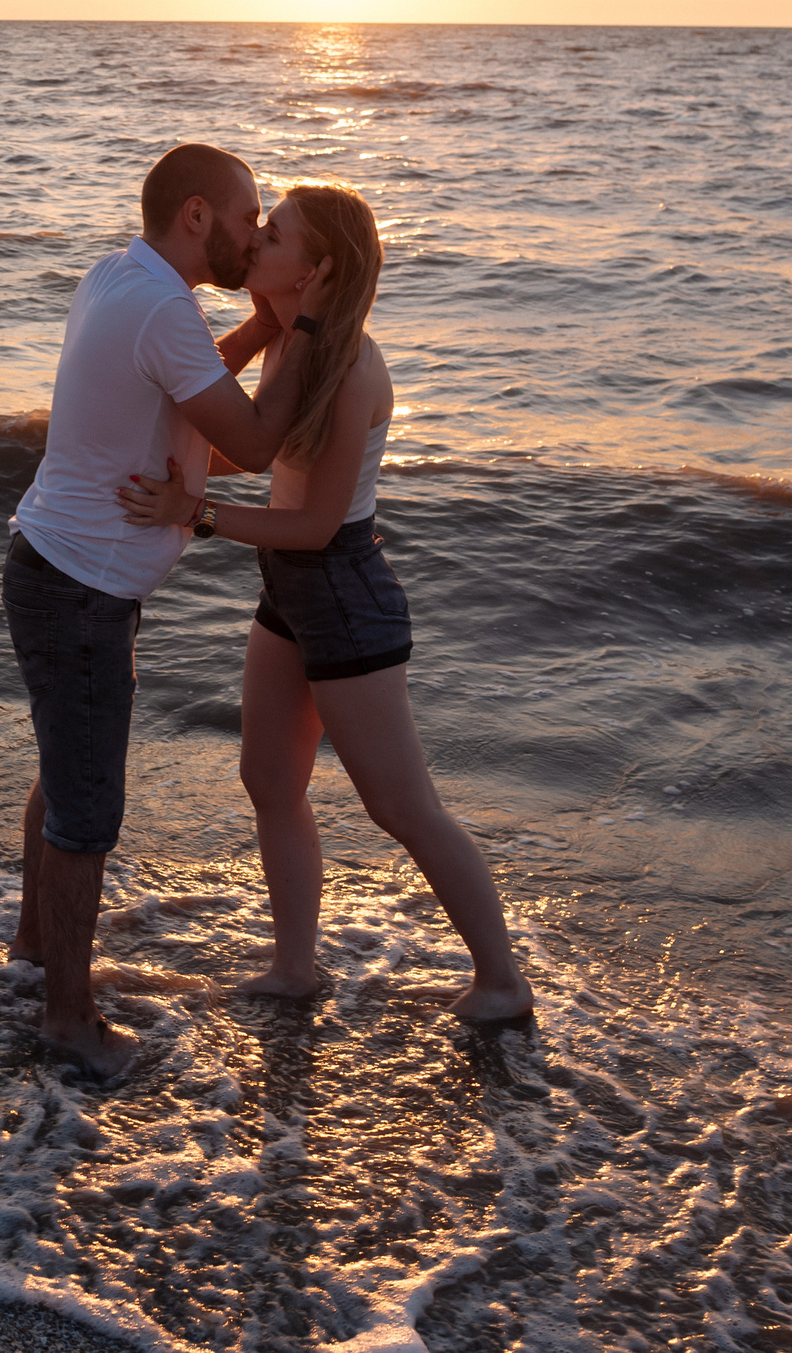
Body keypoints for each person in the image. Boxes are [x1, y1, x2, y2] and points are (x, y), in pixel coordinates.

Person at [117, 182, 532, 1022]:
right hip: (290, 589)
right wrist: (193, 463)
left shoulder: (349, 370)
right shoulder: (296, 347)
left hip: (341, 588)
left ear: (317, 269)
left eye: (274, 237)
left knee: (400, 805)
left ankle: (502, 979)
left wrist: (191, 512)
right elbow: (248, 443)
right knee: (269, 777)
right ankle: (295, 967)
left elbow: (310, 522)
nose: (255, 242)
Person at [3, 143, 333, 1078]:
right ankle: (68, 1019)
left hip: (50, 565)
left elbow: (197, 386)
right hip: (80, 589)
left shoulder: (122, 277)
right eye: (245, 218)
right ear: (196, 216)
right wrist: (301, 322)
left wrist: (263, 332)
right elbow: (256, 436)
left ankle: (35, 943)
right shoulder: (163, 309)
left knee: (64, 772)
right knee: (86, 813)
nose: (253, 235)